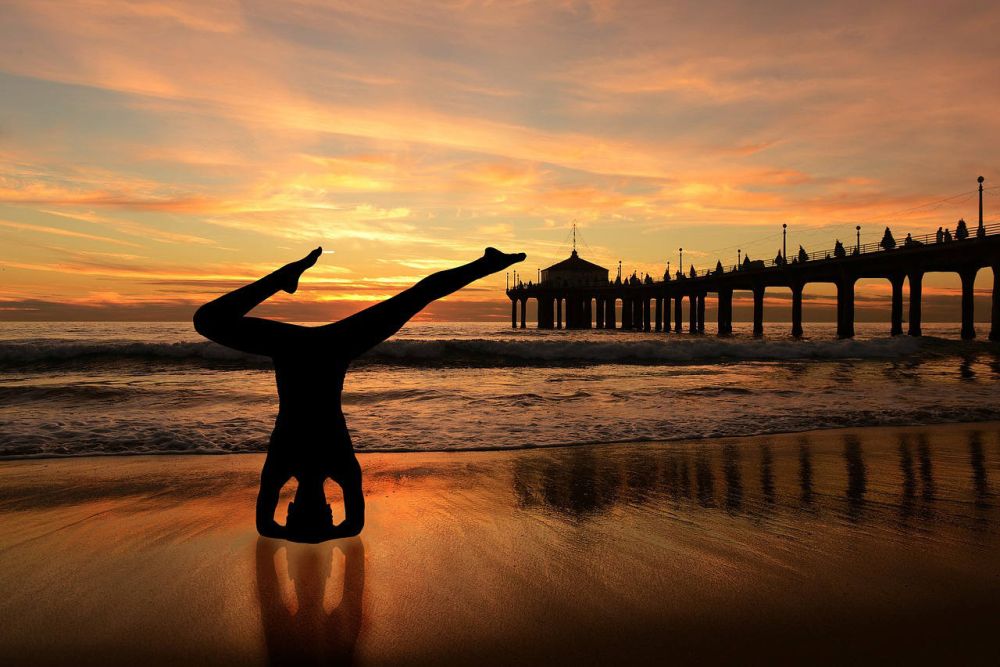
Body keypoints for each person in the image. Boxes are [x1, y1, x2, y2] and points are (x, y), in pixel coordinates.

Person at [194, 246, 526, 542]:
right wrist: (298, 532)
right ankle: (284, 277)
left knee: (415, 298)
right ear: (291, 506)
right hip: (311, 348)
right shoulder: (285, 467)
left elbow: (352, 525)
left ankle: (484, 265)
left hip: (326, 347)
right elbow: (267, 526)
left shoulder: (338, 468)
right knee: (415, 298)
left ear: (327, 508)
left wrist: (326, 532)